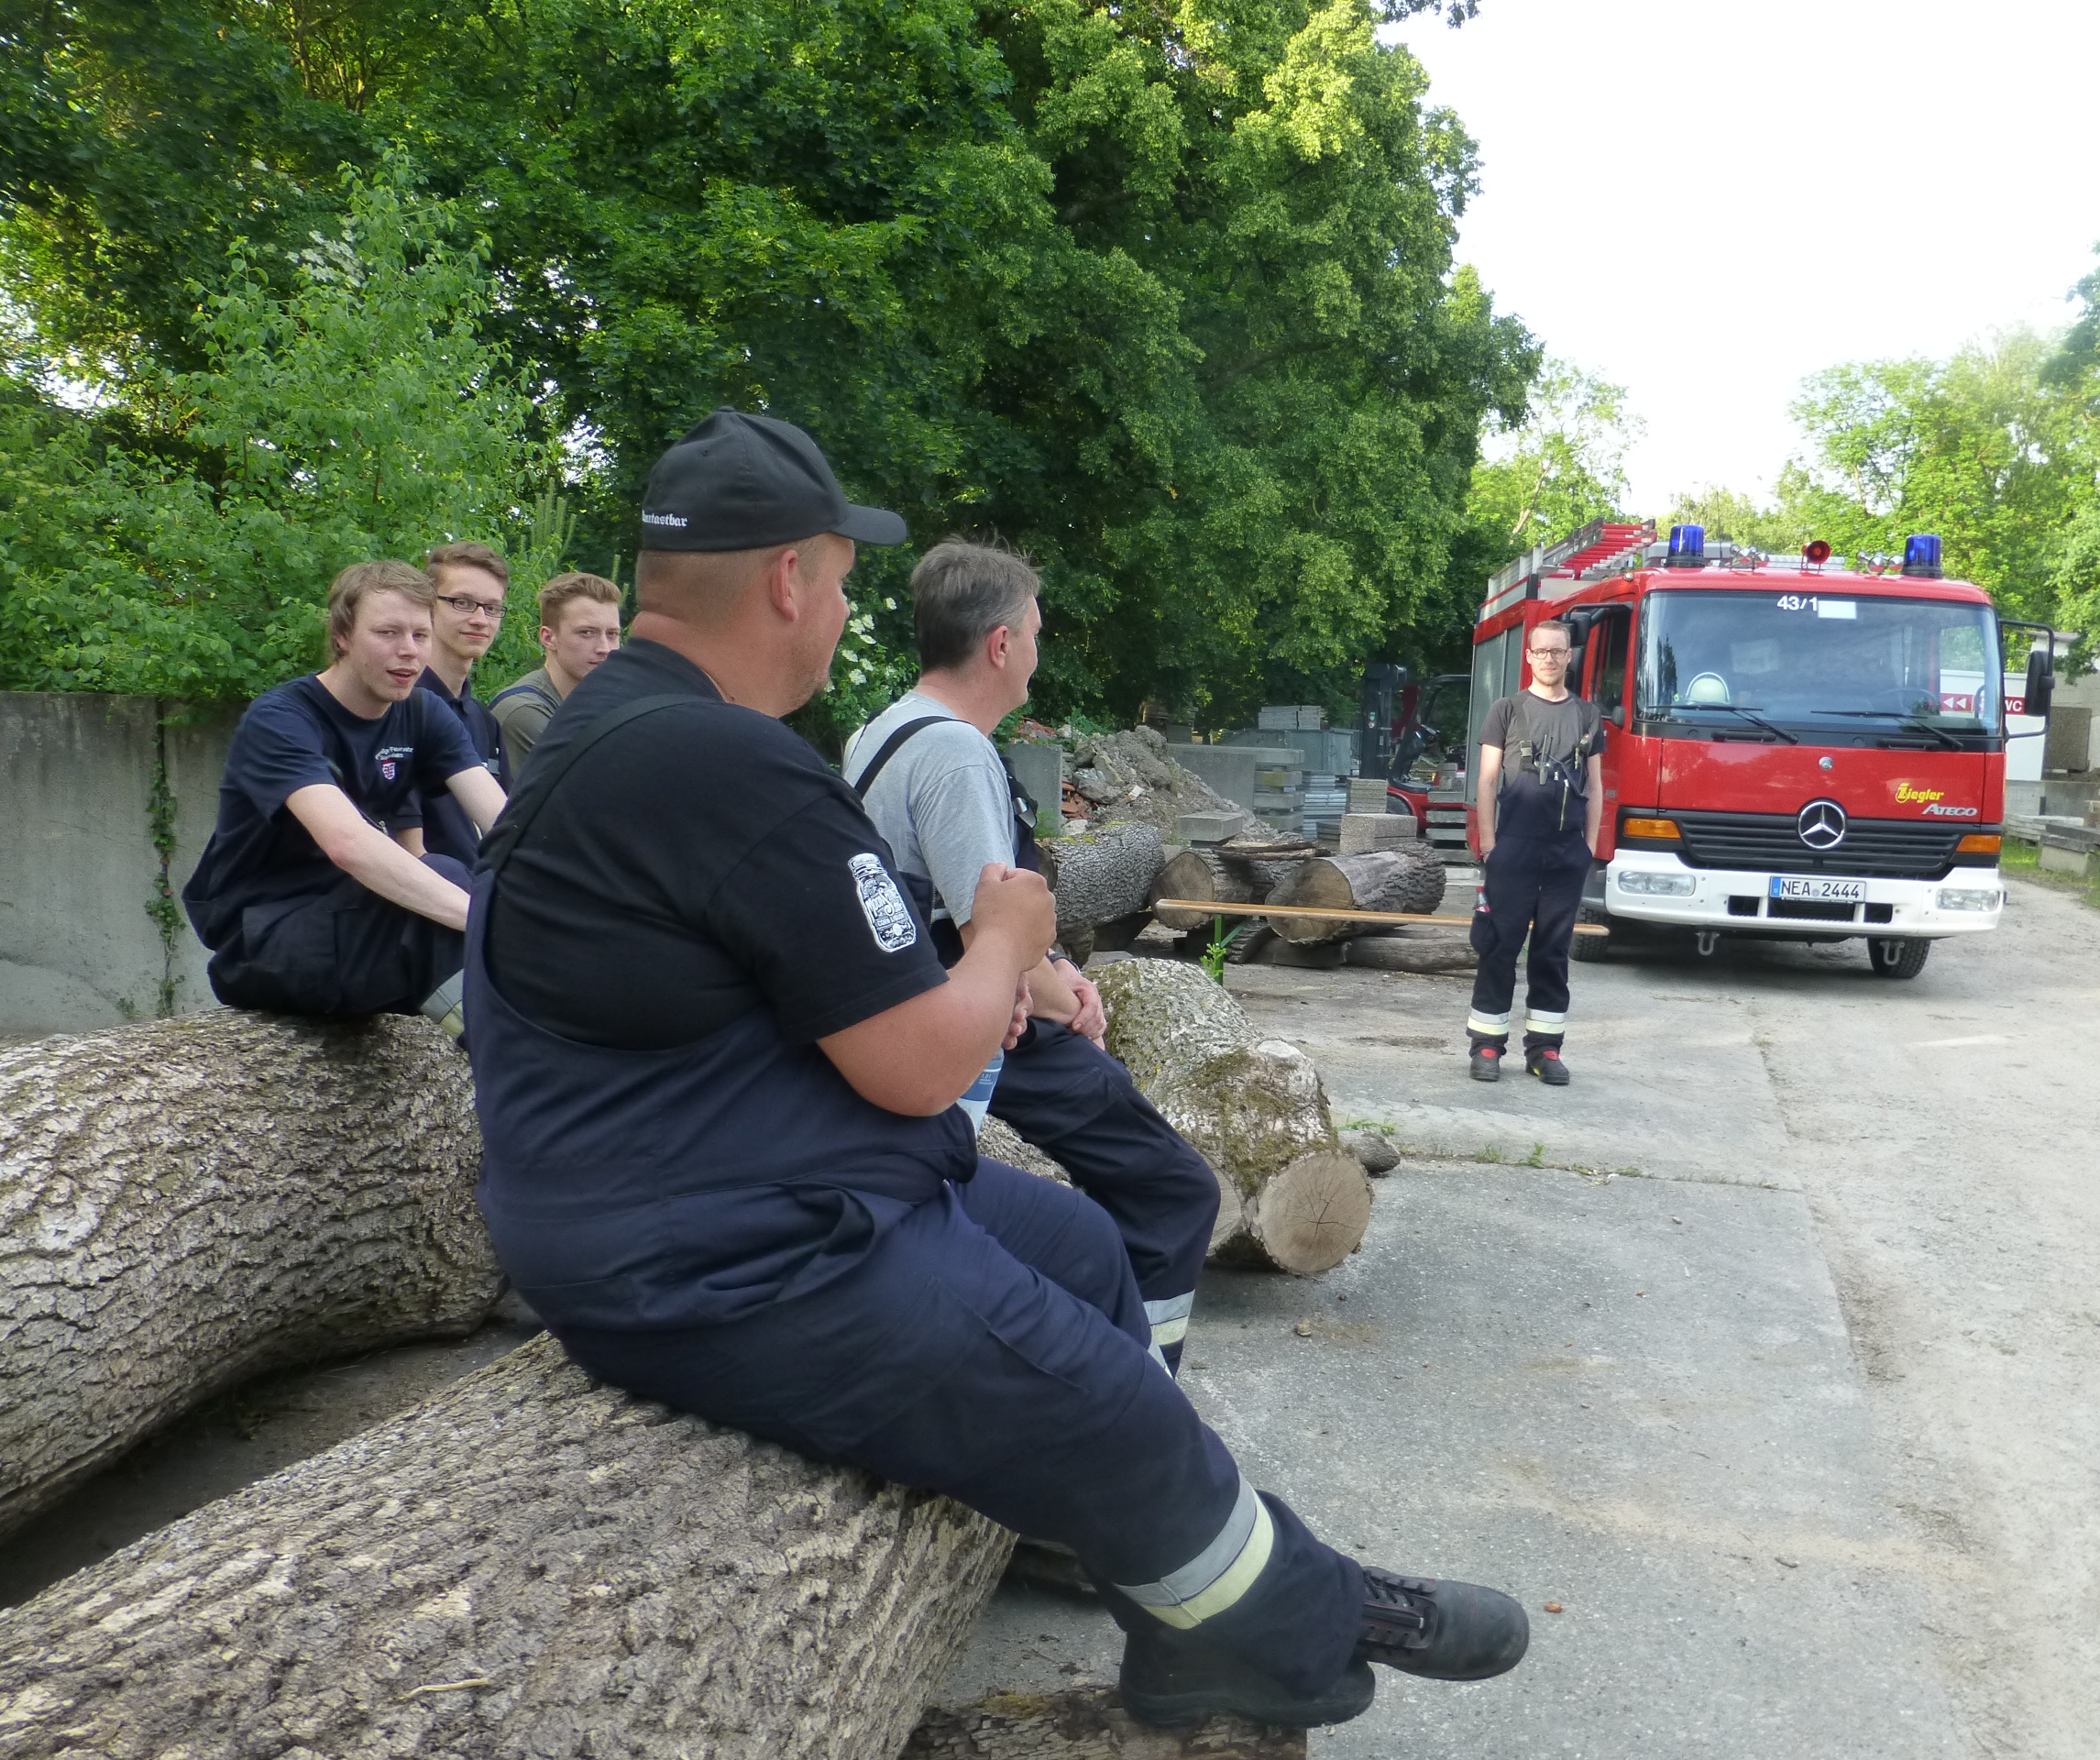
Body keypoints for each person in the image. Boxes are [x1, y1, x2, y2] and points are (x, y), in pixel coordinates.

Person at [462, 407, 1527, 1731]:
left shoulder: (627, 730)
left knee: (1087, 1256)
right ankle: (1311, 1621)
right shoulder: (720, 764)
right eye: (844, 582)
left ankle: (1182, 1607)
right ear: (791, 575)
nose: (845, 612)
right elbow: (917, 1063)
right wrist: (1014, 937)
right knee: (1110, 1414)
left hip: (721, 1181)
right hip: (726, 1252)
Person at [844, 540, 1218, 1374]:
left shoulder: (881, 731)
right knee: (1172, 1191)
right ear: (1000, 644)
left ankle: (1081, 1347)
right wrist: (1067, 998)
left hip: (929, 1005)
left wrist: (1063, 971)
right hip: (985, 1026)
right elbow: (989, 929)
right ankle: (1142, 1388)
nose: (1038, 656)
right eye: (1037, 634)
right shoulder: (954, 751)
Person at [182, 559, 505, 1020]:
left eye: (420, 634)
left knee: (453, 874)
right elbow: (347, 844)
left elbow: (505, 826)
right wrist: (489, 924)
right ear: (342, 637)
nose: (409, 651)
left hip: (354, 921)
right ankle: (518, 1069)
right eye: (387, 633)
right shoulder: (281, 719)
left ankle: (523, 1060)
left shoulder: (423, 711)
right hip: (263, 942)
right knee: (450, 892)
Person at [1467, 618, 1605, 1085]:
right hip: (1514, 847)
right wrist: (1490, 844)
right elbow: (1487, 781)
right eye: (1541, 651)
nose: (1549, 658)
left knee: (1552, 951)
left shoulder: (1587, 716)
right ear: (1529, 656)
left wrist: (1588, 847)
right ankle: (1486, 1045)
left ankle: (1545, 1050)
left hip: (1567, 852)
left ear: (1570, 657)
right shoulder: (1506, 710)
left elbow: (1597, 786)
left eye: (1558, 651)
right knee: (1499, 945)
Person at [415, 541, 511, 867]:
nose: (481, 619)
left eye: (492, 607)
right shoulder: (397, 709)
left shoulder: (484, 721)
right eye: (463, 602)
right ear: (427, 605)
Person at [489, 570, 624, 780]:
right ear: (548, 637)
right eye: (587, 633)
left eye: (612, 634)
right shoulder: (524, 712)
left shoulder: (608, 707)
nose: (604, 648)